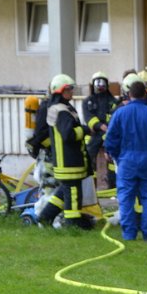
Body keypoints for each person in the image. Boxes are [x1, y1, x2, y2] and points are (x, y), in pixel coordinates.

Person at [105, 80, 147, 241]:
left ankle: (129, 234)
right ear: (145, 94)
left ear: (129, 94)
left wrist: (115, 155)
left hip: (126, 161)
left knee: (126, 198)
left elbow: (111, 139)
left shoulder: (120, 113)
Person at [45, 74, 94, 229]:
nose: (71, 92)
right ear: (60, 91)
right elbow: (69, 135)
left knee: (64, 192)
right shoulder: (62, 111)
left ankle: (45, 217)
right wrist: (85, 130)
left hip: (66, 162)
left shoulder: (59, 108)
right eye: (68, 89)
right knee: (73, 194)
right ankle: (72, 224)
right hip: (69, 162)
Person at [82, 71, 119, 190]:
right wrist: (99, 125)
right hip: (95, 133)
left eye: (102, 83)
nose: (100, 86)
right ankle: (89, 186)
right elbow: (88, 117)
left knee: (113, 158)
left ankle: (113, 185)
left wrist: (109, 127)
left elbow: (115, 115)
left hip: (110, 133)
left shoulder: (113, 101)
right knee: (88, 157)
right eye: (97, 83)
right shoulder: (88, 101)